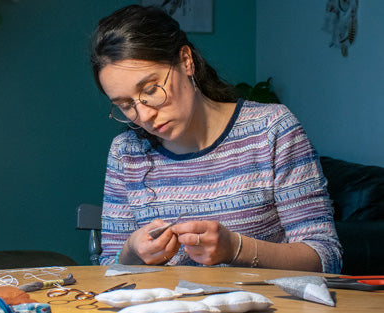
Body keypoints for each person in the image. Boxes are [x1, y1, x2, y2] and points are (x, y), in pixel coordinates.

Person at [90, 5, 342, 273]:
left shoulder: (271, 130)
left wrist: (236, 249)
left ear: (186, 61)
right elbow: (108, 270)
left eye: (151, 89)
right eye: (126, 104)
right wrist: (131, 253)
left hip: (268, 312)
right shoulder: (126, 152)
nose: (144, 115)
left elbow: (325, 257)